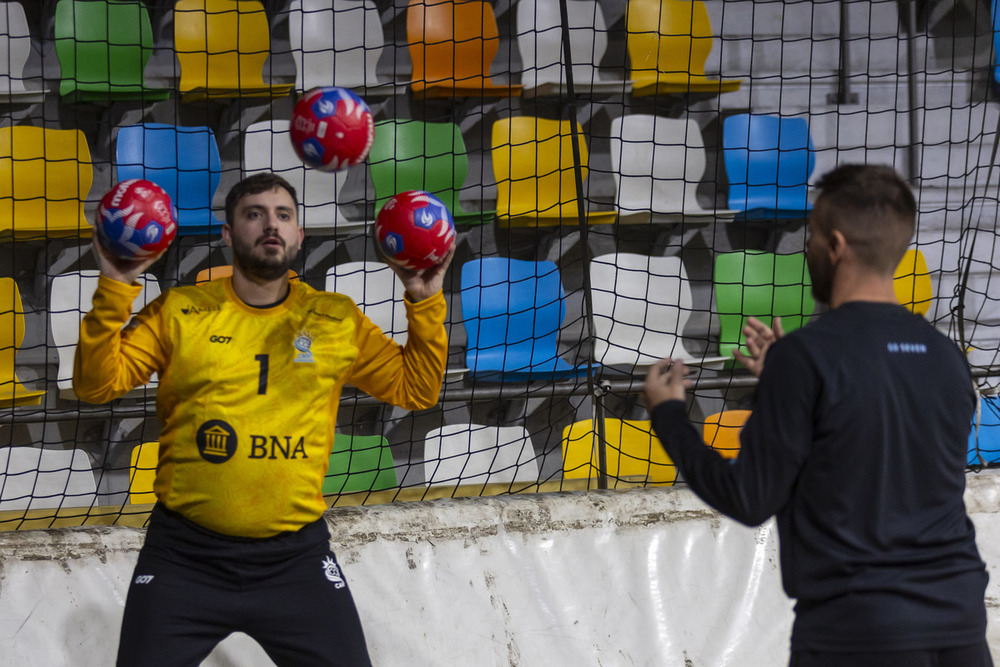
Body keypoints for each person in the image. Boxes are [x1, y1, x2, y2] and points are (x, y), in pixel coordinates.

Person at [74, 172, 455, 666]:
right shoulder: (181, 310)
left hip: (294, 561)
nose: (270, 225)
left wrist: (424, 298)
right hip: (184, 559)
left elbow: (417, 389)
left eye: (283, 215)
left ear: (300, 234)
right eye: (254, 214)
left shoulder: (335, 318)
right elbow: (95, 385)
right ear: (229, 234)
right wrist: (117, 284)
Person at [643, 164, 991, 667]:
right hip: (960, 629)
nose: (804, 248)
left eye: (810, 236)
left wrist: (670, 415)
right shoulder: (946, 358)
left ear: (836, 245)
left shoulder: (807, 359)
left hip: (859, 636)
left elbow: (748, 498)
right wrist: (789, 382)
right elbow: (872, 432)